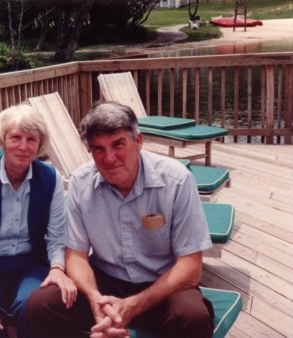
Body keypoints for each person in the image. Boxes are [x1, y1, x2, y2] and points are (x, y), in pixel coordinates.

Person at [27, 101, 214, 338]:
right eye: (98, 149)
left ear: (138, 142)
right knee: (41, 304)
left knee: (192, 317)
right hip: (105, 282)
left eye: (118, 145)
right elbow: (76, 255)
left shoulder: (176, 180)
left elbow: (190, 267)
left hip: (162, 286)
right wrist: (95, 299)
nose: (109, 158)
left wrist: (134, 304)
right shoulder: (81, 182)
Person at [0, 104, 77, 338]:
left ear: (40, 144)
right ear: (2, 139)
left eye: (31, 139)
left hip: (31, 265)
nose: (23, 146)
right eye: (15, 137)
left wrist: (58, 268)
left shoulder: (50, 179)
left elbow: (57, 235)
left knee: (35, 308)